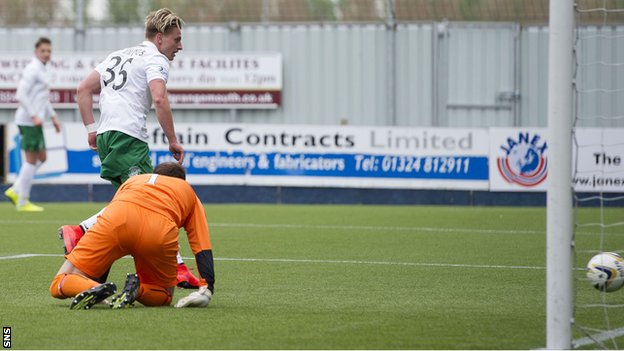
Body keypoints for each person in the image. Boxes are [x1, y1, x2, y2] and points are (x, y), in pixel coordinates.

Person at [58, 8, 200, 288]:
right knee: (152, 199)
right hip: (128, 138)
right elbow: (159, 99)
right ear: (159, 39)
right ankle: (177, 268)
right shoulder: (155, 58)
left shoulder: (117, 55)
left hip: (108, 137)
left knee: (131, 206)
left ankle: (82, 233)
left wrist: (91, 130)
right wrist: (172, 139)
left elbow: (83, 89)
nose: (180, 46)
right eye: (176, 39)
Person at [49, 162, 215, 309]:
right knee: (164, 295)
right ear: (182, 180)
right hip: (158, 231)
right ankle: (138, 290)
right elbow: (201, 244)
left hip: (116, 221)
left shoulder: (133, 181)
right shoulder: (187, 190)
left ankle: (91, 287)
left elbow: (111, 211)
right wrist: (206, 288)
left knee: (61, 280)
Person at [4, 37, 62, 212]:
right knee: (31, 161)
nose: (46, 54)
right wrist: (34, 115)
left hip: (36, 121)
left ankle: (15, 189)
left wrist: (53, 117)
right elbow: (21, 94)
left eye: (49, 51)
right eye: (43, 51)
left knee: (42, 158)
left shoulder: (44, 69)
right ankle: (22, 200)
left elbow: (43, 98)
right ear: (36, 52)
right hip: (28, 121)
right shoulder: (32, 69)